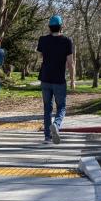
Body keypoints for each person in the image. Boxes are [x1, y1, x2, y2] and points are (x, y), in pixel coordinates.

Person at [36, 14, 75, 144]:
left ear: (49, 27)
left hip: (45, 78)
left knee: (47, 108)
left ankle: (47, 137)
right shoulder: (67, 41)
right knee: (62, 107)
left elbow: (41, 55)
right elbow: (70, 62)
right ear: (61, 27)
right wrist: (73, 80)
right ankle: (56, 126)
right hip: (59, 79)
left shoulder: (42, 40)